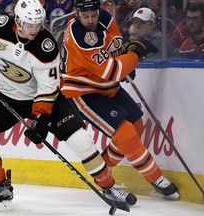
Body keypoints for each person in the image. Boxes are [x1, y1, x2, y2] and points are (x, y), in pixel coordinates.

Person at [0, 0, 138, 210]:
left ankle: (108, 186)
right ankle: (1, 186)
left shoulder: (46, 47)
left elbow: (48, 89)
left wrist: (41, 118)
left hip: (46, 99)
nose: (35, 29)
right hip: (8, 97)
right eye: (30, 24)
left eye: (39, 24)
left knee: (80, 140)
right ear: (18, 21)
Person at [60, 0, 180, 201]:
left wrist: (126, 52)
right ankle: (156, 178)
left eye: (93, 15)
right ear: (76, 14)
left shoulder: (106, 18)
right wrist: (134, 55)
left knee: (136, 125)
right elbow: (110, 71)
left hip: (107, 86)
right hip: (84, 90)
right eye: (85, 16)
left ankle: (103, 169)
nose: (90, 20)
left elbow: (113, 48)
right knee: (125, 134)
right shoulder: (81, 37)